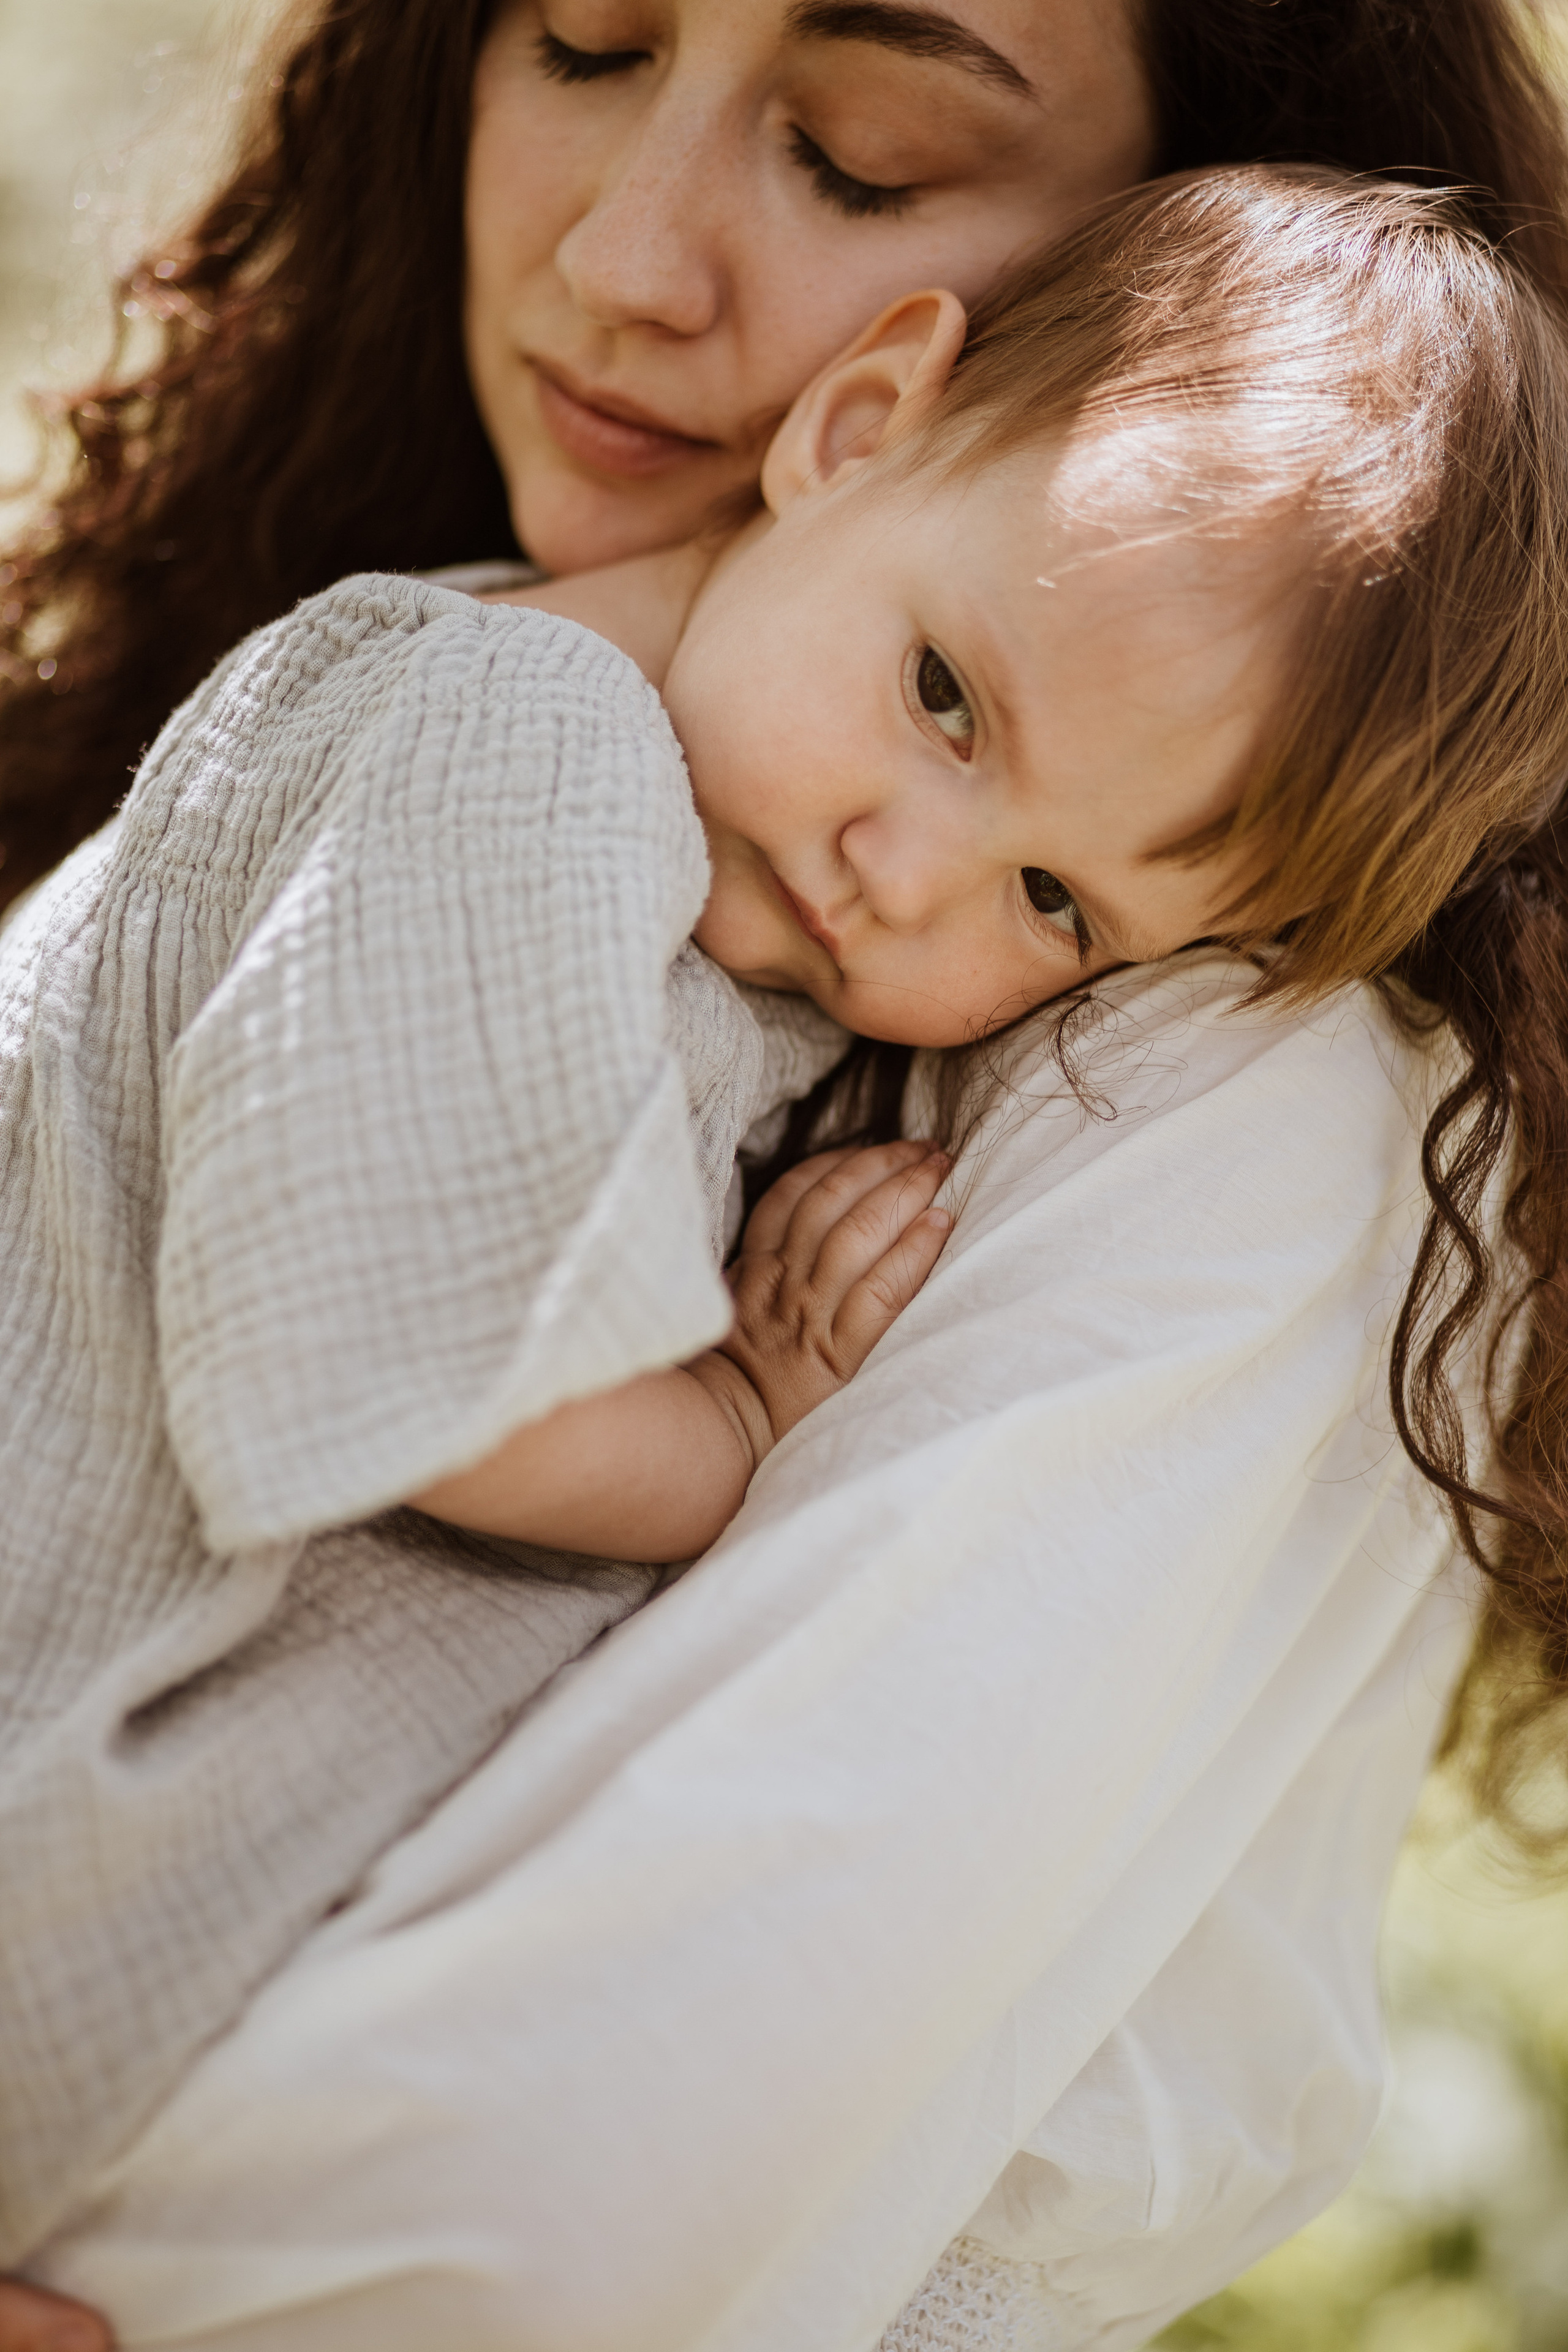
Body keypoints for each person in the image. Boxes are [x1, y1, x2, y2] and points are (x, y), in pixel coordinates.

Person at [6, 2, 1568, 2347]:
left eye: (1058, 908)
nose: (907, 878)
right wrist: (737, 1420)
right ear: (868, 430)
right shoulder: (500, 736)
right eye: (587, 35)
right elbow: (426, 1375)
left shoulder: (1211, 1095)